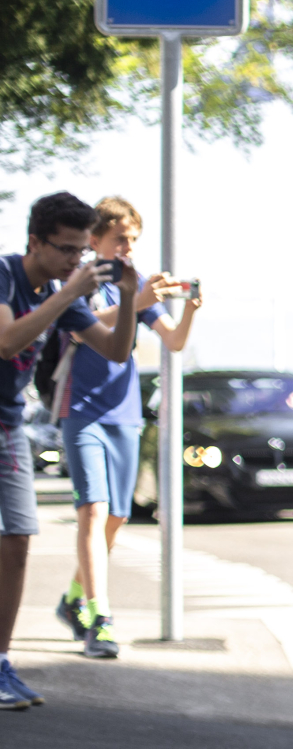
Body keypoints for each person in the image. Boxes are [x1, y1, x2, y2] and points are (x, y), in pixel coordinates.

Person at [0, 193, 148, 709]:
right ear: (35, 242)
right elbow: (7, 341)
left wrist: (129, 297)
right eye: (65, 250)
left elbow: (114, 348)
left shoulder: (66, 290)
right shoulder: (5, 276)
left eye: (80, 251)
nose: (74, 261)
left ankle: (0, 664)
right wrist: (68, 295)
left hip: (8, 424)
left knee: (18, 540)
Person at [55, 197, 195, 659]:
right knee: (93, 512)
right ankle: (100, 618)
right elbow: (83, 328)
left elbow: (172, 340)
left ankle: (74, 598)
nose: (128, 247)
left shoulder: (135, 285)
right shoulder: (85, 281)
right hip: (82, 413)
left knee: (116, 517)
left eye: (133, 239)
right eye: (120, 238)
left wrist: (189, 307)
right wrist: (138, 301)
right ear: (94, 241)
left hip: (126, 414)